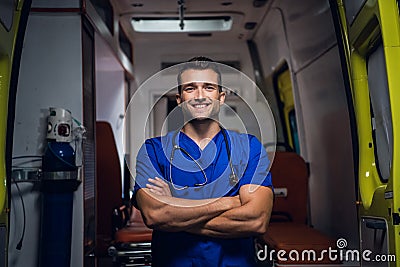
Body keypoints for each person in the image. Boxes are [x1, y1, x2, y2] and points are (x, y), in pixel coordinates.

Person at [132, 57, 274, 267]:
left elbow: (256, 220)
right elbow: (156, 215)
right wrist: (231, 201)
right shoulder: (153, 151)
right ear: (179, 99)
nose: (199, 96)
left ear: (221, 97)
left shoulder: (249, 147)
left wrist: (176, 209)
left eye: (208, 87)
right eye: (190, 88)